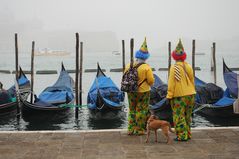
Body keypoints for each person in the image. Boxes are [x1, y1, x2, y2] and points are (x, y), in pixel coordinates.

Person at [166, 39, 196, 141]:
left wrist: (169, 96)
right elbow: (192, 81)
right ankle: (188, 134)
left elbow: (171, 84)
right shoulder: (188, 66)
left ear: (174, 56)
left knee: (179, 116)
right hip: (191, 94)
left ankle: (182, 136)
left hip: (179, 96)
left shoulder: (174, 68)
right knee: (187, 116)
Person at [125, 38, 155, 135]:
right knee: (141, 111)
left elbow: (125, 76)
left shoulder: (129, 65)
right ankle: (139, 130)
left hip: (130, 91)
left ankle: (130, 129)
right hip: (143, 92)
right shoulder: (146, 67)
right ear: (146, 57)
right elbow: (151, 81)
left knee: (132, 109)